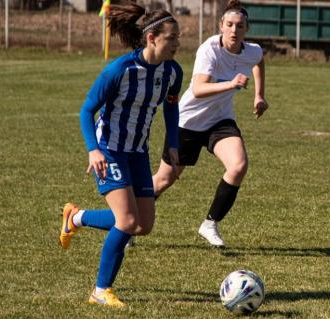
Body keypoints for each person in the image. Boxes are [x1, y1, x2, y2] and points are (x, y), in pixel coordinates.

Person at [58, 2, 182, 308]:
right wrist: (93, 150)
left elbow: (171, 107)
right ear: (152, 38)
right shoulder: (119, 70)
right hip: (109, 150)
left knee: (143, 225)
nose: (178, 44)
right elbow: (87, 110)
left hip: (137, 151)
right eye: (172, 38)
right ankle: (101, 291)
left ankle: (76, 217)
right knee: (126, 220)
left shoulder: (172, 72)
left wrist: (174, 144)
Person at [152, 0, 269, 248]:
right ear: (221, 26)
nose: (234, 30)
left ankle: (210, 223)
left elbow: (258, 61)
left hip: (220, 120)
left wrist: (260, 95)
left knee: (238, 166)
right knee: (165, 180)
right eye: (229, 25)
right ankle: (126, 223)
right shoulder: (210, 50)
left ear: (246, 29)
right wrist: (232, 83)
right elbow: (198, 88)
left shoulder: (252, 50)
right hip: (188, 121)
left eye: (240, 26)